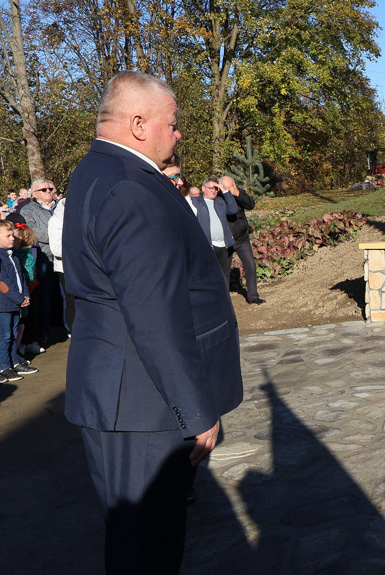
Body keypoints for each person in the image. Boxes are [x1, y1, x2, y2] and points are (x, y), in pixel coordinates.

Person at [63, 70, 243, 574]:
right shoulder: (131, 189)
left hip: (123, 393)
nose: (179, 132)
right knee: (146, 549)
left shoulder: (96, 169)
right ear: (139, 124)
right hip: (143, 404)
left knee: (134, 542)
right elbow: (154, 316)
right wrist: (197, 411)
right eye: (174, 122)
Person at [19, 179, 57, 347]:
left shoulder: (61, 207)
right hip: (43, 259)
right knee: (43, 298)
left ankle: (64, 327)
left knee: (64, 297)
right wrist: (59, 236)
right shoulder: (28, 209)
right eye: (43, 189)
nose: (48, 191)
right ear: (33, 194)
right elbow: (34, 232)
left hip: (64, 259)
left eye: (51, 188)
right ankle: (41, 335)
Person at [0, 220, 37, 383]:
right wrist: (18, 298)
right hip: (4, 304)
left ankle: (14, 361)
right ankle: (3, 366)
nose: (12, 238)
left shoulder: (13, 255)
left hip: (15, 303)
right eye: (7, 236)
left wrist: (25, 295)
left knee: (14, 333)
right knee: (4, 336)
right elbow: (3, 282)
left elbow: (20, 278)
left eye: (12, 235)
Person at [220, 175, 264, 304]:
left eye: (233, 185)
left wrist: (238, 193)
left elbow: (250, 205)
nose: (231, 189)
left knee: (250, 265)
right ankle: (224, 299)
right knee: (225, 270)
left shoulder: (238, 193)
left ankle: (253, 296)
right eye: (228, 187)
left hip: (242, 238)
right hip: (226, 239)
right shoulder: (218, 197)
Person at [192, 177, 238, 282]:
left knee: (224, 275)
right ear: (203, 188)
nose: (213, 191)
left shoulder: (220, 201)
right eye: (211, 188)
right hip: (208, 246)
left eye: (216, 189)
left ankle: (225, 297)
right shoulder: (196, 202)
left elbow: (233, 210)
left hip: (223, 244)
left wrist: (225, 191)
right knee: (209, 275)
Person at [48, 196, 73, 335]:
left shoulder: (78, 219)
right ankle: (72, 330)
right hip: (65, 268)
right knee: (71, 301)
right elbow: (56, 249)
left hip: (81, 266)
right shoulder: (56, 221)